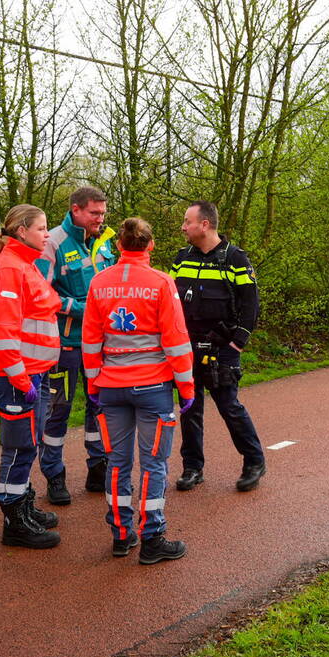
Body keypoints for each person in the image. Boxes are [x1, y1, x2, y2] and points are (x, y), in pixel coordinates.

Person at [82, 217, 195, 564]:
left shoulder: (99, 282)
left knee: (117, 462)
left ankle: (120, 534)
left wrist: (93, 382)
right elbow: (176, 340)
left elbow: (90, 339)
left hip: (111, 386)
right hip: (153, 386)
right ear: (151, 245)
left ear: (118, 246)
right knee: (153, 464)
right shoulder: (162, 283)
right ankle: (152, 538)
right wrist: (186, 386)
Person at [170, 200, 266, 492]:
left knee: (229, 406)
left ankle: (254, 462)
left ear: (205, 224)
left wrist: (239, 342)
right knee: (189, 407)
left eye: (187, 222)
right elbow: (171, 303)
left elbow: (251, 303)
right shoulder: (182, 257)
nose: (183, 227)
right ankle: (192, 468)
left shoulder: (234, 258)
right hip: (187, 347)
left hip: (222, 347)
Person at [0, 204, 62, 549]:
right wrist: (20, 379)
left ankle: (23, 506)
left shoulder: (25, 266)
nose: (47, 235)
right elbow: (1, 332)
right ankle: (14, 520)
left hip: (35, 374)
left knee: (28, 445)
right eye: (42, 228)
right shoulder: (11, 269)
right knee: (19, 448)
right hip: (19, 377)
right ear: (21, 232)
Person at [35, 186, 118, 505]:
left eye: (102, 212)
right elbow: (41, 293)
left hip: (100, 343)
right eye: (94, 213)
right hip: (66, 344)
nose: (100, 218)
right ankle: (54, 475)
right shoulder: (52, 242)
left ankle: (98, 468)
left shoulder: (103, 240)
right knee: (59, 411)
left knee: (100, 407)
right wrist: (83, 308)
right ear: (75, 210)